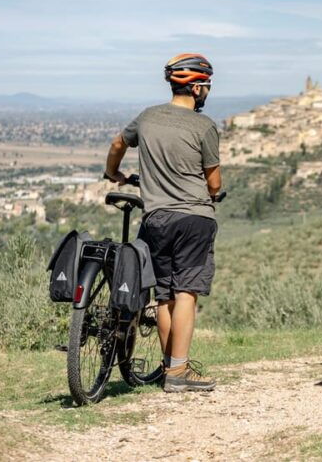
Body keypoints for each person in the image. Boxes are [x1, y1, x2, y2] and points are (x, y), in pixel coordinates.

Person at [105, 53, 222, 393]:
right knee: (187, 293)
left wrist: (115, 174)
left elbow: (117, 143)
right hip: (194, 218)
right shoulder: (204, 126)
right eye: (208, 86)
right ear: (197, 87)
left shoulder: (148, 117)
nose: (208, 92)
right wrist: (212, 194)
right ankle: (179, 372)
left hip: (155, 218)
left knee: (165, 294)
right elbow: (213, 182)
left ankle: (169, 366)